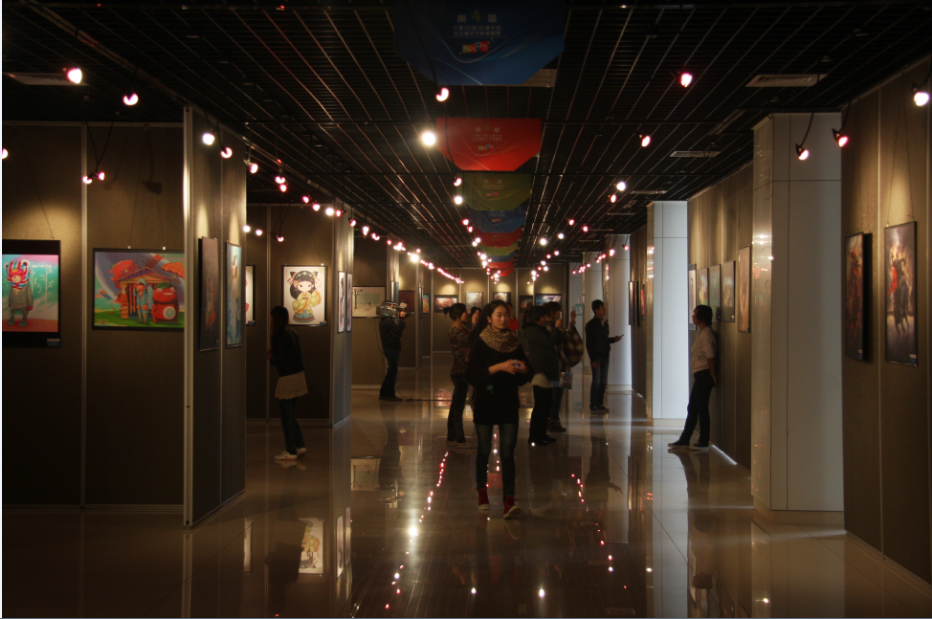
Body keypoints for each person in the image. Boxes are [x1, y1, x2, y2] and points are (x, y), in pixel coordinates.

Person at [466, 300, 531, 518]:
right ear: (489, 318)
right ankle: (482, 491)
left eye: (506, 315)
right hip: (486, 402)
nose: (503, 319)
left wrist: (523, 369)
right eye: (499, 315)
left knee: (507, 453)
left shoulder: (514, 342)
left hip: (508, 402)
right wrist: (499, 367)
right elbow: (473, 375)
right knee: (484, 449)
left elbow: (526, 372)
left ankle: (509, 500)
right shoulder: (480, 342)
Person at [669, 305, 718, 451]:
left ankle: (702, 439)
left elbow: (710, 356)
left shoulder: (706, 334)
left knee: (700, 408)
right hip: (700, 375)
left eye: (695, 314)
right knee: (694, 407)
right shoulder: (702, 332)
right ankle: (686, 438)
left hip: (704, 375)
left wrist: (713, 374)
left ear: (702, 317)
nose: (693, 316)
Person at [267, 306, 308, 460]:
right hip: (298, 375)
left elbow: (281, 360)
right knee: (290, 414)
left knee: (286, 416)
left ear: (275, 318)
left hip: (287, 377)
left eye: (271, 317)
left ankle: (291, 450)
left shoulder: (278, 335)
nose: (270, 320)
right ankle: (299, 445)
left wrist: (271, 358)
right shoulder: (292, 333)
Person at [523, 305, 564, 445]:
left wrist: (560, 330)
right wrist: (556, 328)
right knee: (541, 404)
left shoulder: (541, 330)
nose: (545, 319)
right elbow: (550, 342)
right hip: (539, 371)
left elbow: (556, 341)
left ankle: (541, 433)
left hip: (547, 370)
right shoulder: (531, 331)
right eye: (543, 317)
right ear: (537, 318)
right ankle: (534, 435)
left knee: (547, 404)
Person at [542, 301, 575, 433]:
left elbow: (566, 337)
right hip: (558, 367)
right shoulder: (550, 328)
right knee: (556, 395)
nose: (559, 313)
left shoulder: (553, 326)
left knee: (557, 394)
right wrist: (558, 367)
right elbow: (554, 347)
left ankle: (552, 420)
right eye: (557, 311)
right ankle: (553, 421)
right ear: (552, 312)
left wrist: (572, 321)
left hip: (560, 365)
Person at [585, 300, 622, 413]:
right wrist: (593, 359)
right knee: (596, 381)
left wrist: (613, 339)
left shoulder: (604, 323)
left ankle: (600, 404)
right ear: (596, 310)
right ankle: (593, 405)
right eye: (602, 307)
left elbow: (604, 339)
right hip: (597, 356)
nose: (604, 309)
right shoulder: (591, 325)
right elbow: (589, 344)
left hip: (605, 355)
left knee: (603, 381)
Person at [445, 302, 470, 446]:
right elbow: (468, 346)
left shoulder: (463, 328)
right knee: (458, 406)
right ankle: (459, 437)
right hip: (460, 370)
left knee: (456, 404)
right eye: (465, 312)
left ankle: (452, 435)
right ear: (458, 315)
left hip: (463, 370)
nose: (467, 314)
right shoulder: (455, 331)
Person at [379, 306, 407, 401]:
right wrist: (402, 320)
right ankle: (390, 394)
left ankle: (383, 393)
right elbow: (398, 330)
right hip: (392, 348)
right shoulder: (388, 321)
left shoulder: (385, 320)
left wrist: (397, 333)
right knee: (392, 372)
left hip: (390, 348)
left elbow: (397, 333)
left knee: (391, 371)